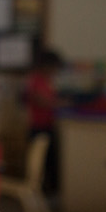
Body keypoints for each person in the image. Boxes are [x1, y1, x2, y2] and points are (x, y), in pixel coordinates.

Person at [25, 48, 64, 203]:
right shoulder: (35, 79)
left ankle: (47, 196)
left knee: (50, 163)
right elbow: (40, 100)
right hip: (38, 126)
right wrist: (59, 103)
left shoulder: (47, 80)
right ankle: (41, 196)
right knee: (43, 165)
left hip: (47, 125)